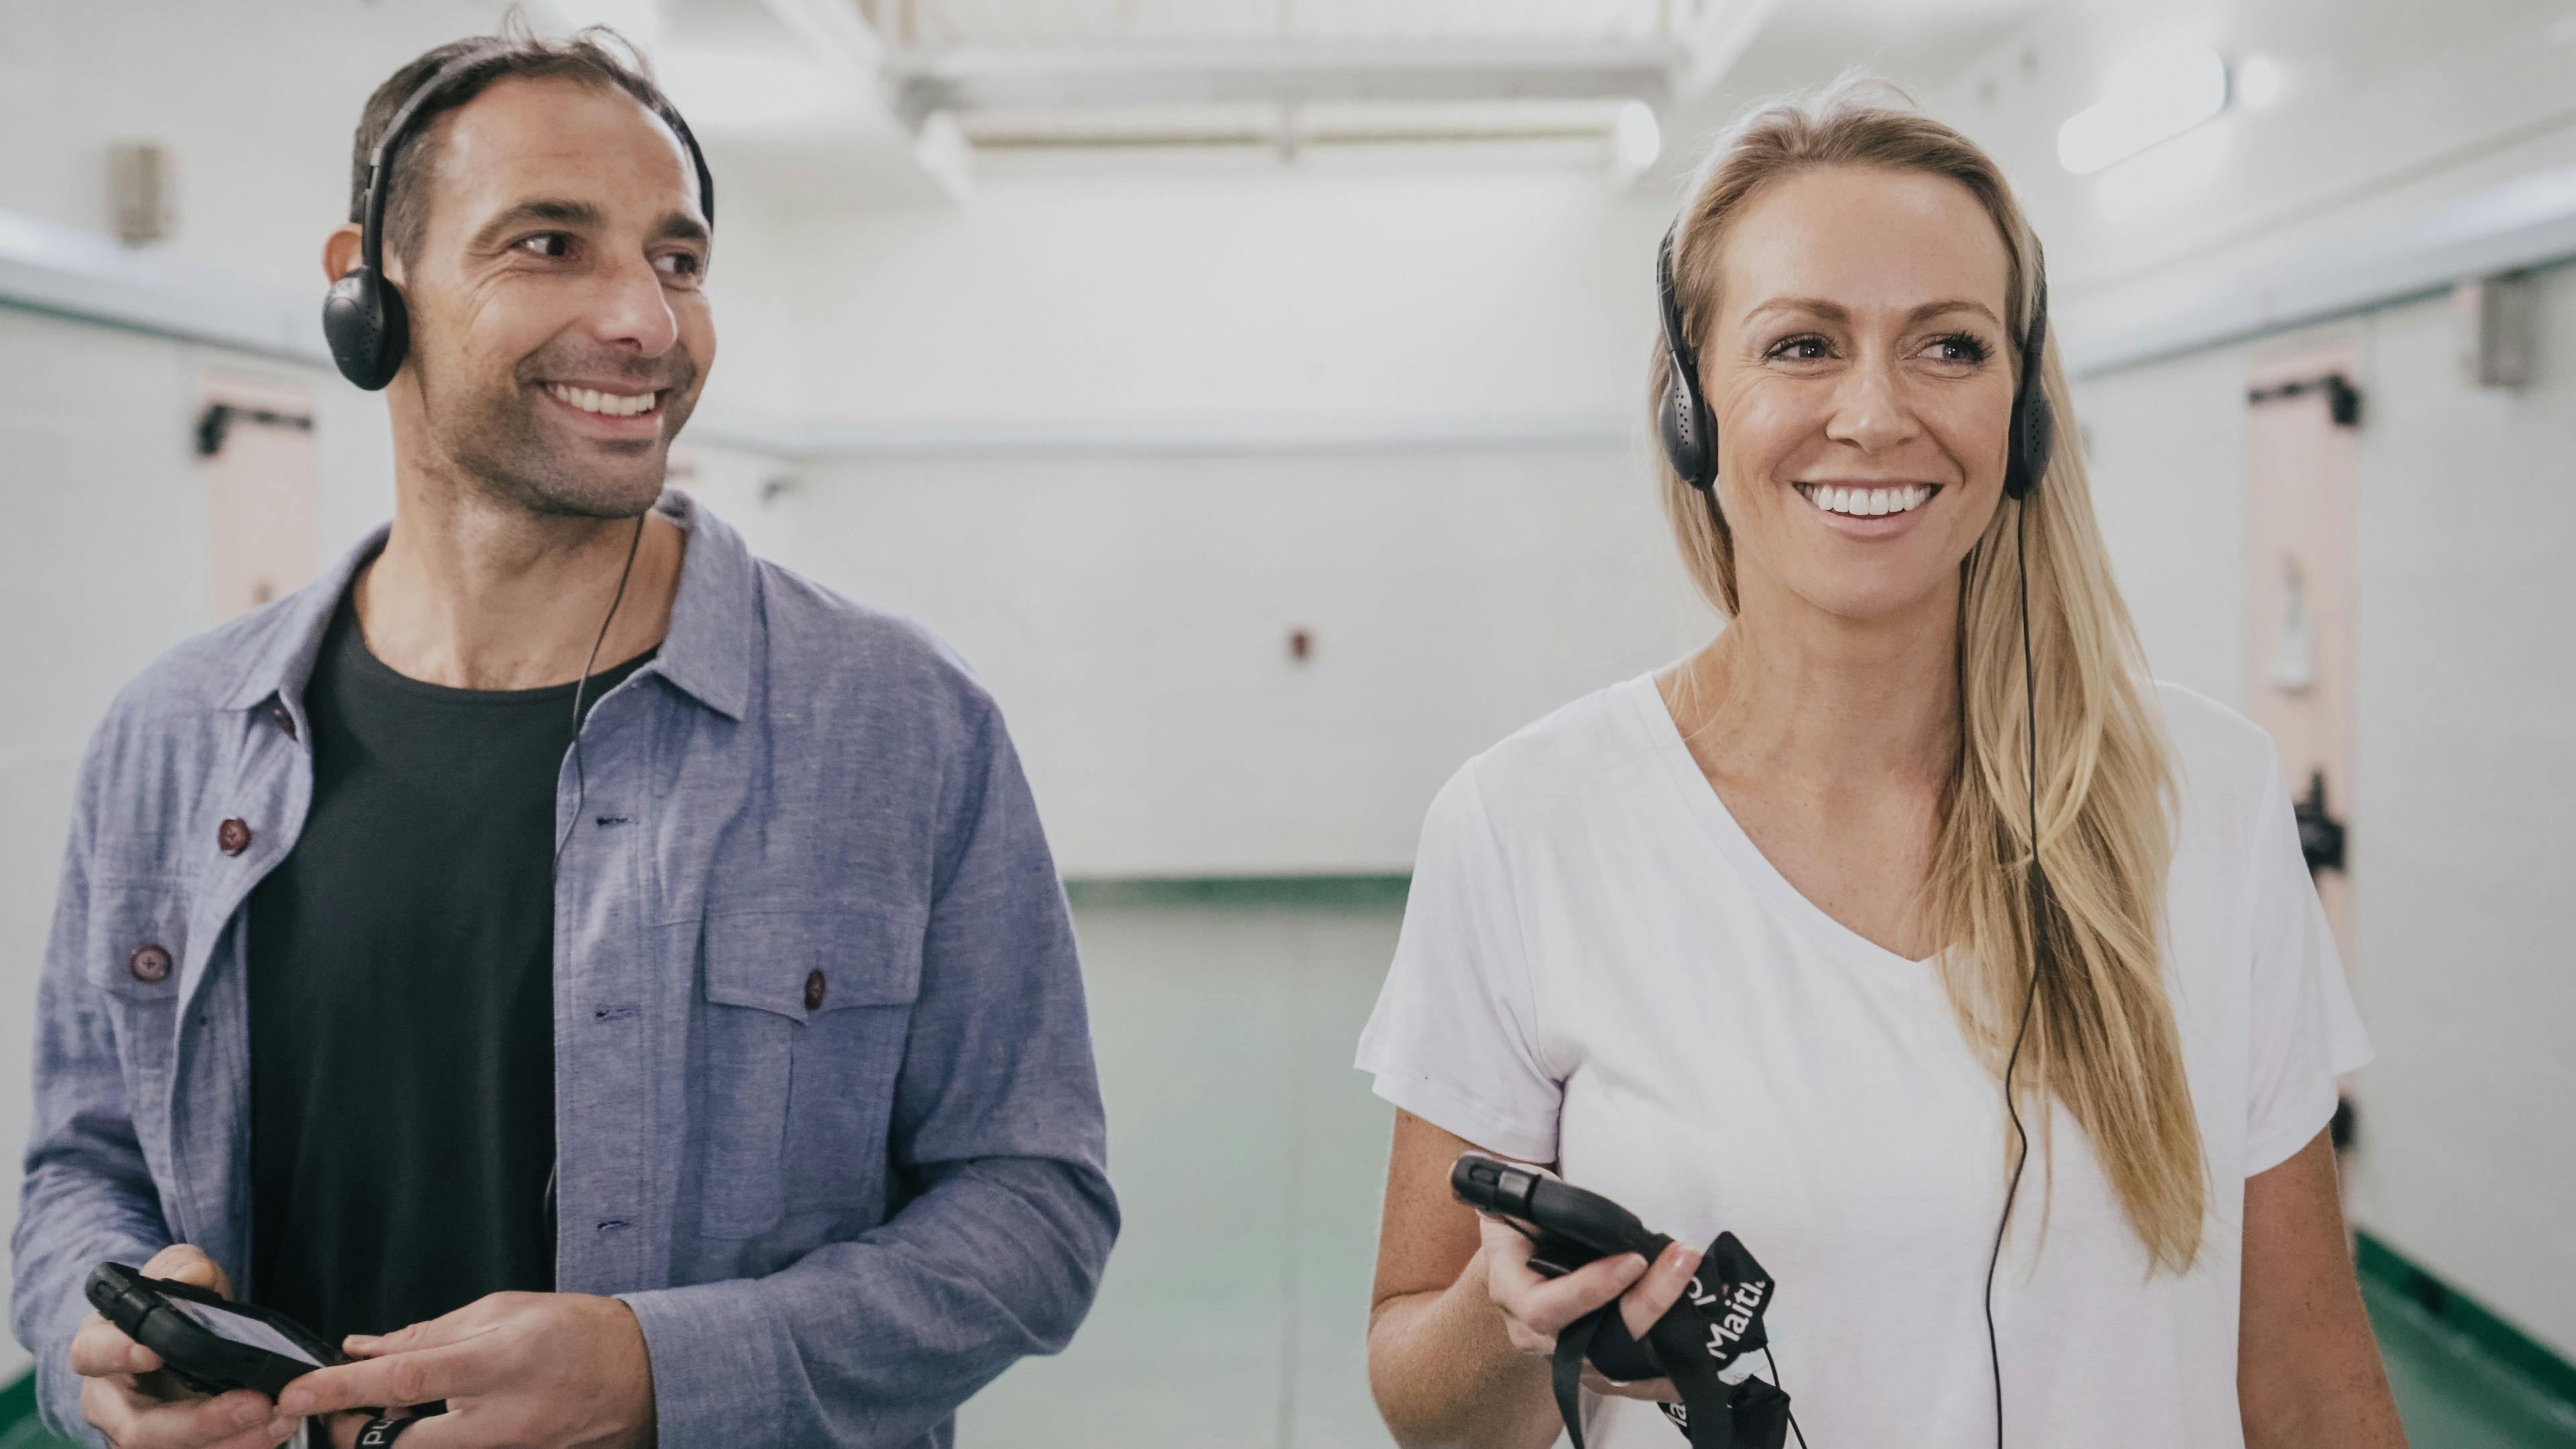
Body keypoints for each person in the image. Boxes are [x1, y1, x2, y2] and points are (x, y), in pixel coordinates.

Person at [11, 27, 1115, 1449]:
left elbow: (1034, 1210)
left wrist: (664, 1371)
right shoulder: (175, 736)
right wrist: (89, 1337)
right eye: (548, 243)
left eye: (678, 259)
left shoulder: (898, 724)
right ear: (367, 283)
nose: (649, 323)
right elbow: (81, 1167)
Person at [1357, 83, 2402, 1448]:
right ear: (1694, 407)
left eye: (1948, 347)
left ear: (2023, 412)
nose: (1874, 413)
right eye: (1801, 345)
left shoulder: (2204, 799)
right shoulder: (1527, 823)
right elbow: (1423, 1403)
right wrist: (1509, 1328)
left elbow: (2311, 1375)